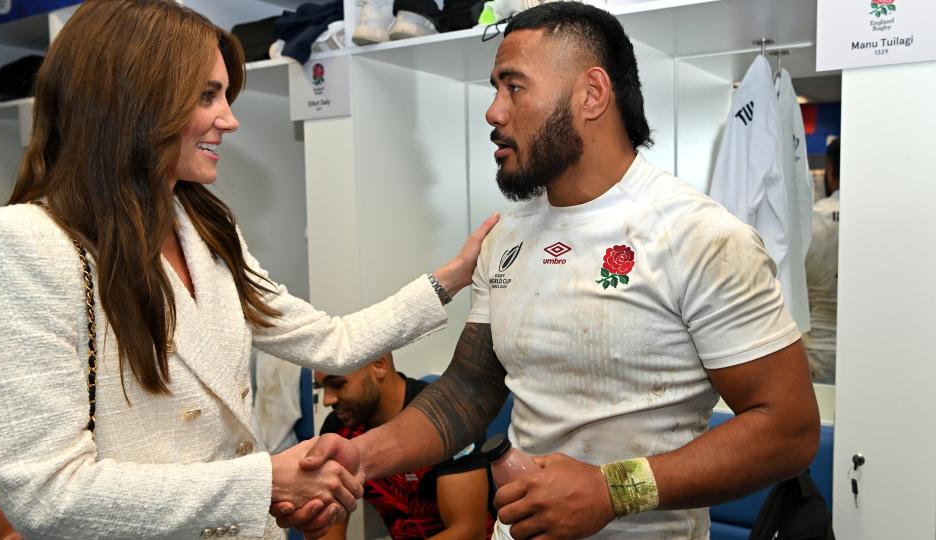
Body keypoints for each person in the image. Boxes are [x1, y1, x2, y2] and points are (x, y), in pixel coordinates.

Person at [276, 3, 821, 539]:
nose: (493, 111)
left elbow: (788, 430)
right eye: (494, 88)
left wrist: (613, 490)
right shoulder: (507, 238)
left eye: (514, 86)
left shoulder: (700, 236)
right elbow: (469, 390)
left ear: (591, 94)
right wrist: (357, 457)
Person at [0, 1, 497, 539]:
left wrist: (454, 276)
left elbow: (331, 340)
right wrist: (264, 482)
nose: (230, 118)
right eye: (207, 95)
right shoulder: (23, 243)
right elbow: (45, 492)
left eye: (225, 93)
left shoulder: (203, 229)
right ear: (132, 100)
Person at [315, 353, 494, 540]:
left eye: (337, 384)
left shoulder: (448, 415)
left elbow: (469, 531)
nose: (327, 400)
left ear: (379, 365)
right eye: (321, 388)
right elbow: (329, 528)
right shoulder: (339, 430)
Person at [803, 138, 841, 384]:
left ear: (830, 170)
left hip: (816, 350)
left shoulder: (810, 220)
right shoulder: (884, 225)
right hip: (871, 349)